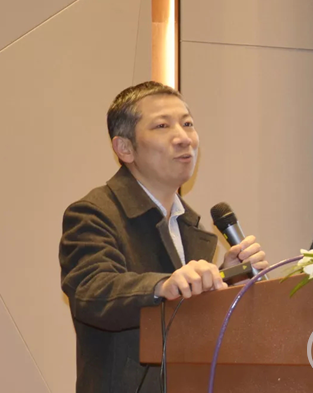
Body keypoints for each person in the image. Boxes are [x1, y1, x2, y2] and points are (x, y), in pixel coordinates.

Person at [59, 81, 269, 393]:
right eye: (162, 125)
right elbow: (91, 291)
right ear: (124, 148)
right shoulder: (94, 212)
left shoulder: (191, 227)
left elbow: (191, 321)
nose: (184, 138)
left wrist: (227, 279)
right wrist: (162, 286)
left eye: (188, 124)